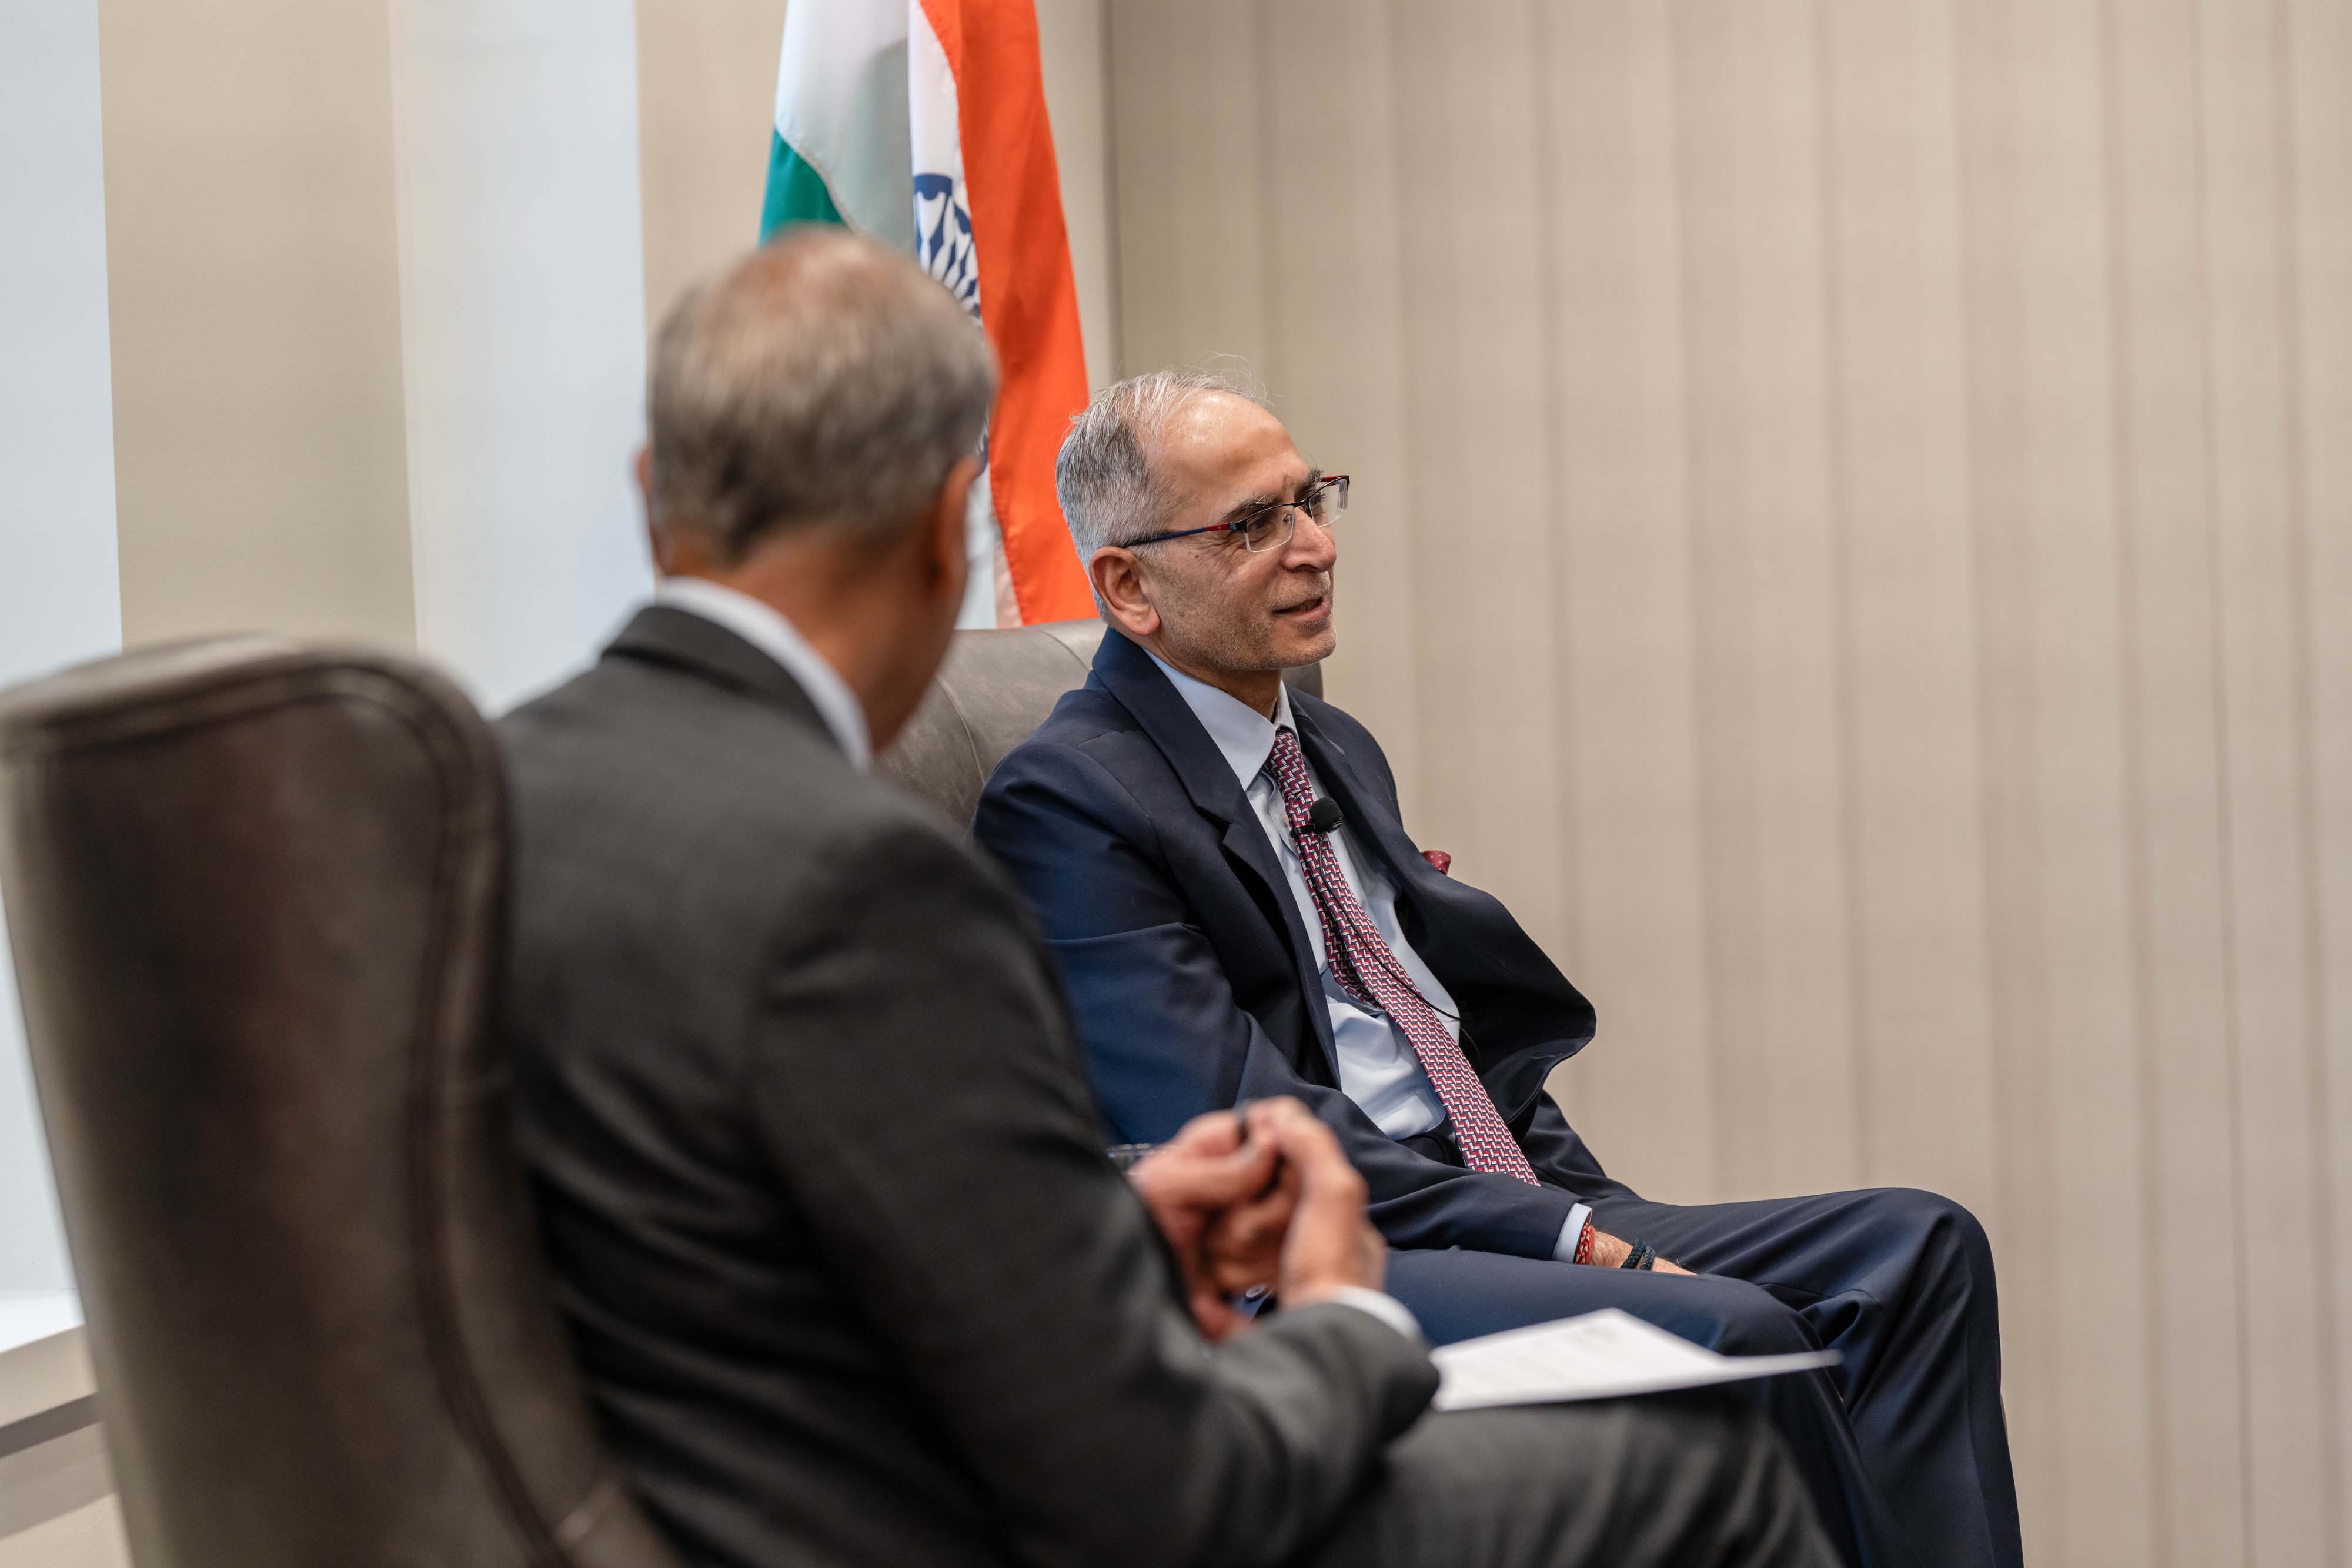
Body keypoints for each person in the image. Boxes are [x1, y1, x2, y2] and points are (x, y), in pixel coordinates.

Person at [496, 231, 1838, 1568]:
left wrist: (1117, 1216)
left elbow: (743, 1223)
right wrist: (1345, 1320)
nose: (1306, 544)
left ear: (647, 493)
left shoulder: (477, 795)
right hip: (904, 1514)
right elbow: (1144, 1473)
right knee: (1690, 1473)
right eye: (1254, 519)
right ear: (934, 534)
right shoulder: (871, 876)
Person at [973, 369, 2025, 1568]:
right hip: (1333, 1249)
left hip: (1490, 1189)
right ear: (1127, 586)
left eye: (1309, 499)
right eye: (1251, 525)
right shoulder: (1068, 801)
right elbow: (1254, 1133)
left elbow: (1429, 1023)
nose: (1313, 546)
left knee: (1916, 1250)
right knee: (1727, 1332)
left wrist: (1576, 1201)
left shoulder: (1324, 742)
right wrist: (1572, 1236)